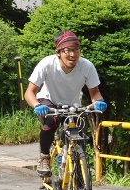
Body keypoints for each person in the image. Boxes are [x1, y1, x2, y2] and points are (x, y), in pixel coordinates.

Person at [24, 30, 107, 175]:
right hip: (49, 102)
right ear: (59, 52)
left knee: (80, 137)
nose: (73, 55)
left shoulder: (86, 66)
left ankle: (80, 188)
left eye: (76, 50)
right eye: (68, 51)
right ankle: (44, 156)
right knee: (51, 121)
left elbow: (95, 93)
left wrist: (98, 101)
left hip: (72, 106)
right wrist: (37, 105)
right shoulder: (47, 64)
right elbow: (29, 92)